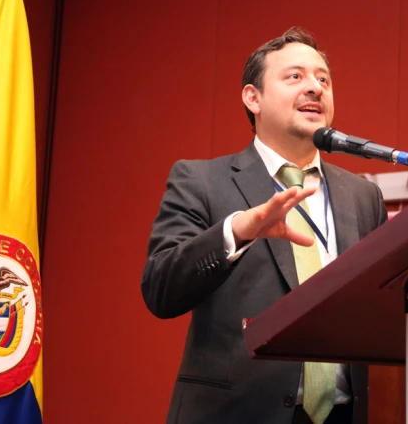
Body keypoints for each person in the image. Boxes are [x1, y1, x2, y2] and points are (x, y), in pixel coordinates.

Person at [141, 27, 388, 424]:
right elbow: (160, 288)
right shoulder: (201, 181)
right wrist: (238, 230)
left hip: (343, 414)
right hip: (236, 414)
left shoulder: (362, 195)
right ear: (252, 98)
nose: (315, 88)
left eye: (323, 79)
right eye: (295, 76)